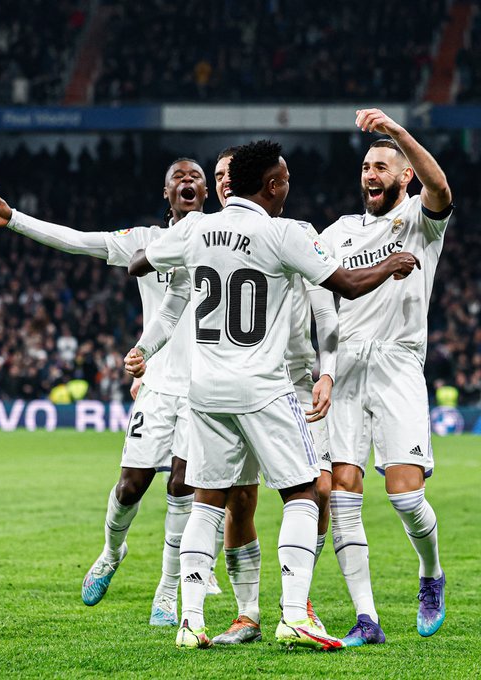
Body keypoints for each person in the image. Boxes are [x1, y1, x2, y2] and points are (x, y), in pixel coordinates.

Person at [127, 139, 420, 650]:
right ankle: (295, 614)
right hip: (263, 387)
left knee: (207, 501)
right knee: (304, 494)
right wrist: (391, 265)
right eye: (284, 181)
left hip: (205, 392)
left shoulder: (195, 228)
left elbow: (137, 264)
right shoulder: (283, 233)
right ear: (271, 185)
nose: (287, 188)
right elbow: (347, 285)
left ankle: (190, 621)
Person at [0, 159, 222, 626]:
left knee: (183, 486)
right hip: (158, 384)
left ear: (208, 192)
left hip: (205, 388)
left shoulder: (222, 241)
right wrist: (14, 219)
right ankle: (111, 552)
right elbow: (78, 241)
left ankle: (167, 592)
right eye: (178, 177)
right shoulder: (145, 240)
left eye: (196, 177)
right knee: (130, 486)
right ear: (166, 193)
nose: (188, 181)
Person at [321, 108, 452, 644]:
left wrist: (396, 131)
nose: (370, 175)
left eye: (381, 167)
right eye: (365, 167)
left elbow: (441, 187)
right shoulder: (339, 232)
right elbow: (315, 291)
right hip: (347, 364)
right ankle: (366, 618)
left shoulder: (421, 219)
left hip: (398, 363)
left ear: (404, 176)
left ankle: (431, 574)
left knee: (405, 497)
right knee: (343, 491)